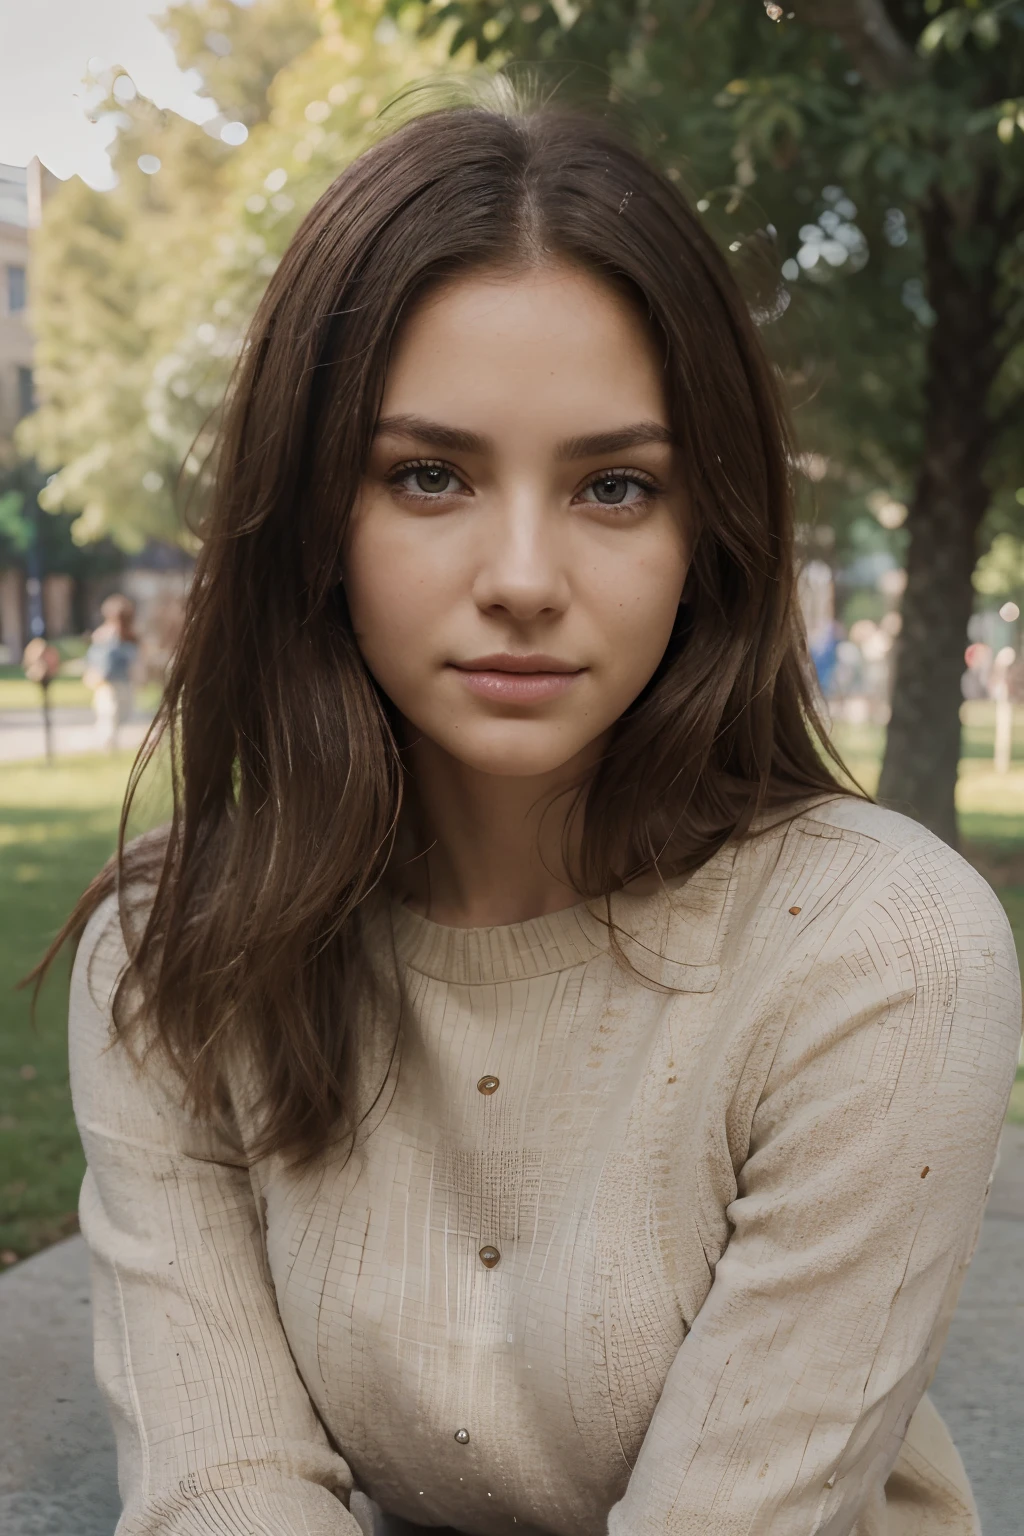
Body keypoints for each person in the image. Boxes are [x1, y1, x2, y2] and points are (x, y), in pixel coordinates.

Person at [42, 82, 1020, 1536]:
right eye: (428, 474)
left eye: (614, 486)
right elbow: (221, 1486)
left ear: (711, 533)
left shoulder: (878, 952)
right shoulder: (174, 959)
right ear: (314, 513)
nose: (521, 574)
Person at [83, 593, 139, 752]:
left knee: (123, 712)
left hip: (123, 680)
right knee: (109, 713)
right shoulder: (105, 634)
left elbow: (134, 658)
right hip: (106, 682)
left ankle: (108, 741)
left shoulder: (129, 636)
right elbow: (95, 657)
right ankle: (107, 745)